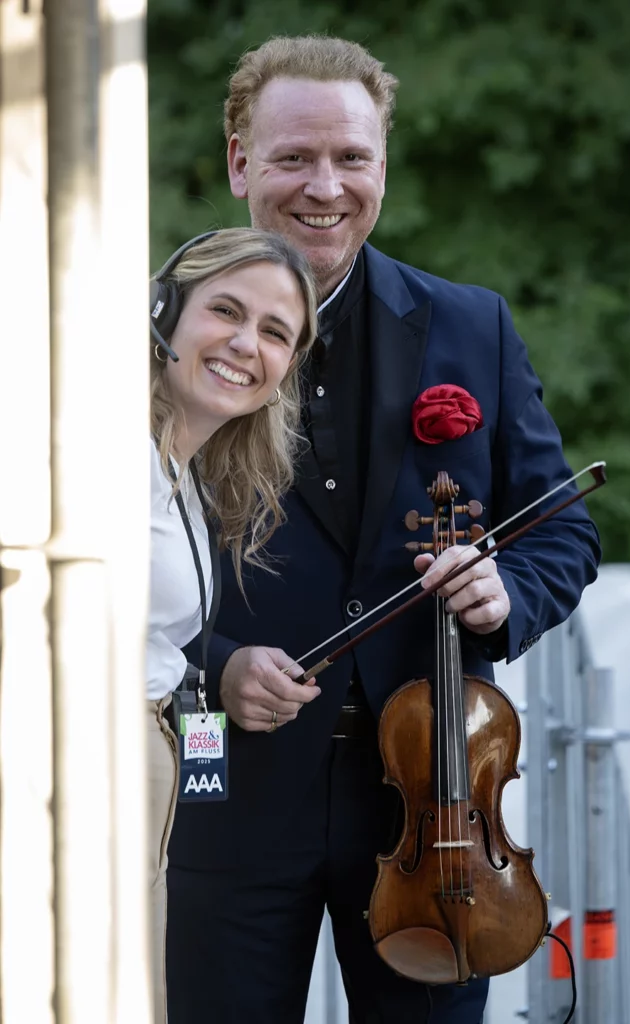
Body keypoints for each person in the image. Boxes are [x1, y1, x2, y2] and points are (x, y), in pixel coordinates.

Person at [166, 36, 601, 1024]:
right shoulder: (162, 333)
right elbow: (101, 558)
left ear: (382, 165)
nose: (324, 187)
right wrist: (217, 663)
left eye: (351, 158)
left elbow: (559, 535)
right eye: (291, 158)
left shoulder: (470, 327)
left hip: (435, 804)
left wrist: (509, 592)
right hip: (222, 779)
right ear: (240, 162)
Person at [145, 226, 317, 1023]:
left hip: (148, 780)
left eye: (275, 332)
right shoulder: (104, 449)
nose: (246, 344)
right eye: (225, 310)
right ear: (163, 311)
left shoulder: (184, 475)